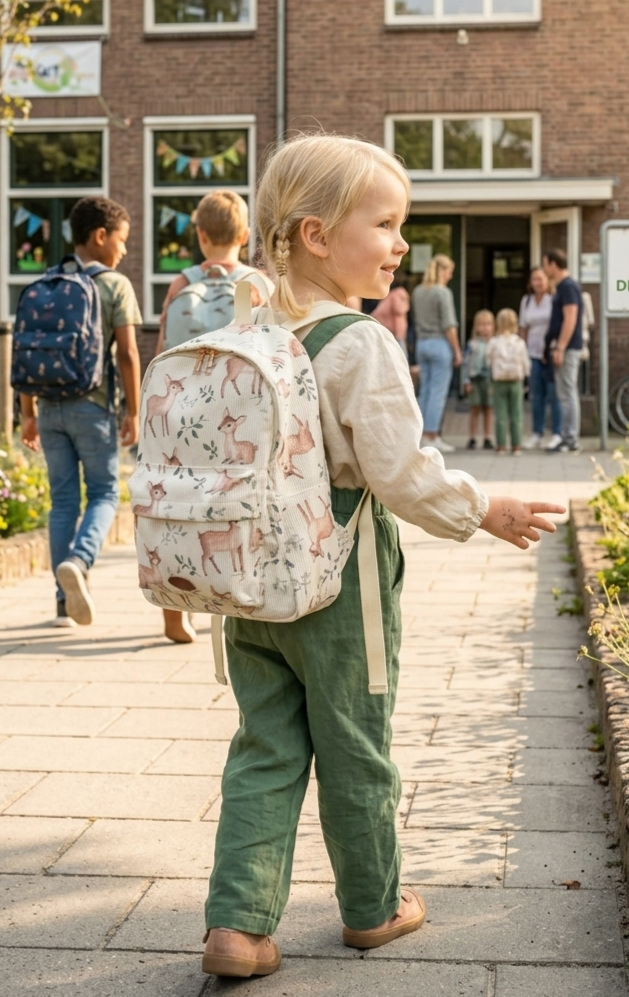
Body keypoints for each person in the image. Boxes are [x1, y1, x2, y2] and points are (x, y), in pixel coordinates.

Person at [201, 134, 563, 979]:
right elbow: (400, 474)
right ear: (318, 236)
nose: (401, 243)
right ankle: (372, 905)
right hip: (338, 585)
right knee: (356, 743)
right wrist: (486, 507)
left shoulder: (247, 323)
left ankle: (236, 923)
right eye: (386, 223)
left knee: (264, 745)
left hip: (249, 585)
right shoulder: (357, 343)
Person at [155, 189, 270, 644]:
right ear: (245, 234)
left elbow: (165, 349)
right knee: (235, 502)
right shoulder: (260, 284)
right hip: (237, 413)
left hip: (183, 412)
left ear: (199, 235)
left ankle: (172, 610)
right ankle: (234, 590)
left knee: (173, 506)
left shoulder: (181, 285)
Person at [21, 196, 141, 627]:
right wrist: (134, 409)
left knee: (62, 503)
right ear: (101, 236)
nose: (124, 251)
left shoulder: (48, 280)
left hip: (49, 409)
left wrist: (27, 413)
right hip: (92, 407)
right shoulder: (114, 285)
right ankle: (81, 560)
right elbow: (127, 353)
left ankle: (61, 604)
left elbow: (29, 350)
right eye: (122, 241)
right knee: (106, 493)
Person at [411, 254, 461, 453]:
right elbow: (449, 325)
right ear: (442, 270)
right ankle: (432, 435)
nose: (450, 275)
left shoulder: (418, 292)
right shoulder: (443, 293)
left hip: (422, 344)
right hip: (440, 344)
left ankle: (421, 435)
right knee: (437, 393)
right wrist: (457, 350)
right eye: (449, 271)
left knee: (425, 392)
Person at [542, 249, 584, 453]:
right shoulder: (561, 287)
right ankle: (567, 437)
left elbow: (571, 318)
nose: (544, 269)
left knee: (567, 392)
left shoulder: (568, 287)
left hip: (567, 348)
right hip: (563, 347)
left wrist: (560, 346)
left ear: (553, 264)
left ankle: (571, 439)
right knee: (564, 392)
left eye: (545, 264)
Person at [519, 266, 560, 450]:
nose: (538, 283)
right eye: (534, 279)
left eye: (541, 279)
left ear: (547, 281)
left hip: (550, 353)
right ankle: (537, 433)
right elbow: (523, 328)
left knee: (554, 394)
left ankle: (557, 433)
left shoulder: (553, 300)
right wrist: (521, 352)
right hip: (533, 354)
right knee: (536, 396)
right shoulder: (526, 301)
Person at [487, 308, 531, 455]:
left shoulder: (494, 342)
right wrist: (526, 378)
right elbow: (525, 363)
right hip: (515, 381)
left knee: (500, 414)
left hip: (499, 380)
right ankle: (516, 445)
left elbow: (488, 360)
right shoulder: (519, 342)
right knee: (516, 414)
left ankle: (501, 445)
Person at [462, 309, 495, 450]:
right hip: (475, 379)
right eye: (481, 324)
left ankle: (488, 437)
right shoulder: (472, 344)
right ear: (476, 326)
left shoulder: (495, 344)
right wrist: (466, 381)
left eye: (488, 324)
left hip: (489, 380)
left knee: (488, 409)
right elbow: (466, 364)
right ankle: (472, 437)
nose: (485, 327)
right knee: (475, 409)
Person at [370, 278, 411, 355]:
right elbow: (399, 309)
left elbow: (377, 314)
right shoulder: (397, 295)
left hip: (390, 333)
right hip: (395, 334)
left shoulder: (390, 296)